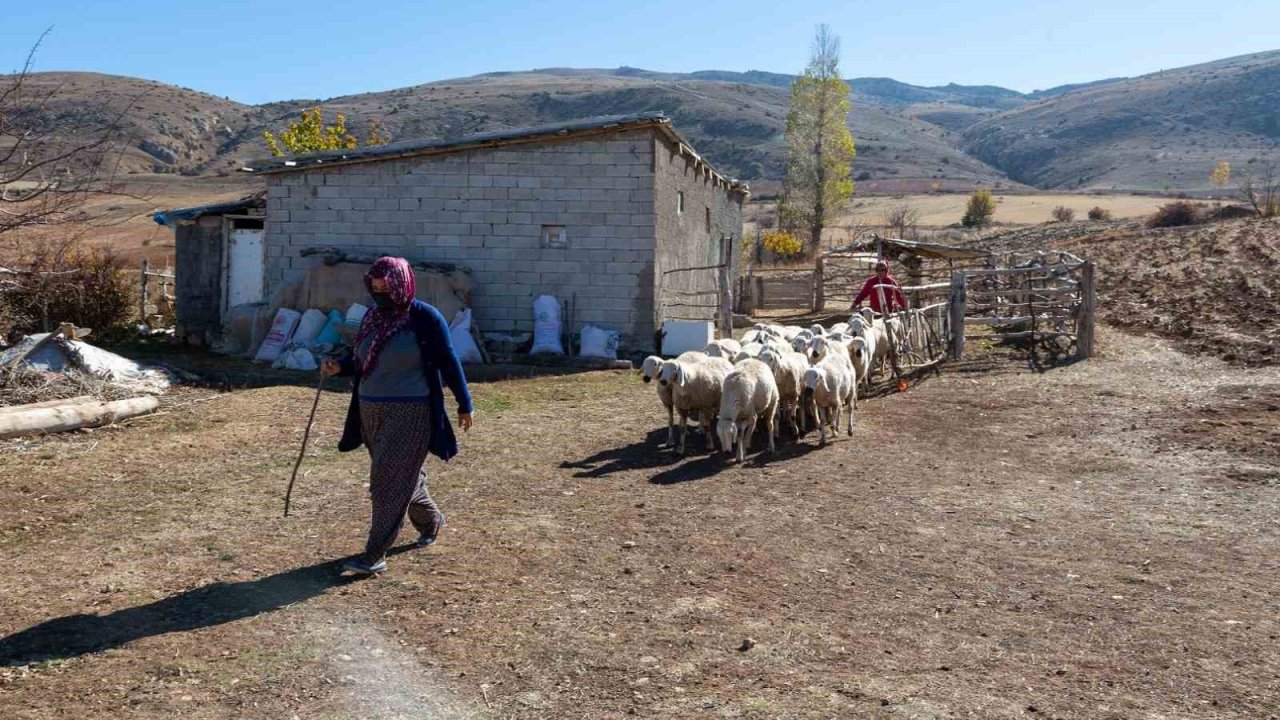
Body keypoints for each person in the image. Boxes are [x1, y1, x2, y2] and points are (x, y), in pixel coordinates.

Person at [321, 256, 474, 575]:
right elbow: (360, 358)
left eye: (386, 289)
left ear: (402, 285)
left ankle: (374, 554)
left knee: (386, 483)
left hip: (411, 410)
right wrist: (340, 366)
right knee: (399, 475)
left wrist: (464, 402)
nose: (380, 296)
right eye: (375, 289)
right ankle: (432, 521)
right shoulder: (372, 318)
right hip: (369, 409)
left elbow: (448, 359)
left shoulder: (424, 318)